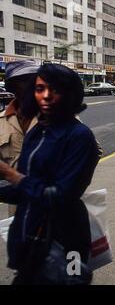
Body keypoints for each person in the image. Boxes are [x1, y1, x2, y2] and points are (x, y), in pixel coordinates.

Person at [0, 64, 101, 284]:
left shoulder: (79, 136)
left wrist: (10, 174)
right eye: (39, 88)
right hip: (30, 237)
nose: (45, 96)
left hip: (68, 239)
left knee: (73, 280)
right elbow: (28, 190)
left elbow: (62, 196)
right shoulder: (37, 132)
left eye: (54, 89)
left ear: (70, 93)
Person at [0, 60, 40, 217]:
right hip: (19, 207)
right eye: (27, 81)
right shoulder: (2, 122)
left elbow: (93, 151)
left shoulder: (58, 116)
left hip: (56, 205)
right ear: (13, 87)